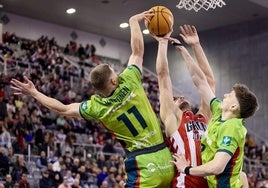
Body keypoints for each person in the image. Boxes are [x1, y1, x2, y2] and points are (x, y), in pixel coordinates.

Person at [10, 10, 175, 187]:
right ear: (113, 79)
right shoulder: (130, 81)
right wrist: (134, 22)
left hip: (144, 167)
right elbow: (137, 52)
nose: (118, 73)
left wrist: (35, 93)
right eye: (114, 72)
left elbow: (63, 109)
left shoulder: (97, 107)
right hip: (167, 159)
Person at [169, 27, 259, 187]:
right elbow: (202, 82)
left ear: (233, 106)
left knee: (242, 176)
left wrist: (187, 169)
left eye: (230, 95)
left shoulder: (232, 127)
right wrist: (189, 48)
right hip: (214, 184)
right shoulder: (219, 110)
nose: (224, 95)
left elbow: (217, 166)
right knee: (243, 175)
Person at [154, 25, 213, 187]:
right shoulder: (172, 119)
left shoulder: (203, 117)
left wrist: (195, 46)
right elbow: (163, 78)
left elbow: (208, 81)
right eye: (175, 99)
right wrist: (163, 42)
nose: (180, 97)